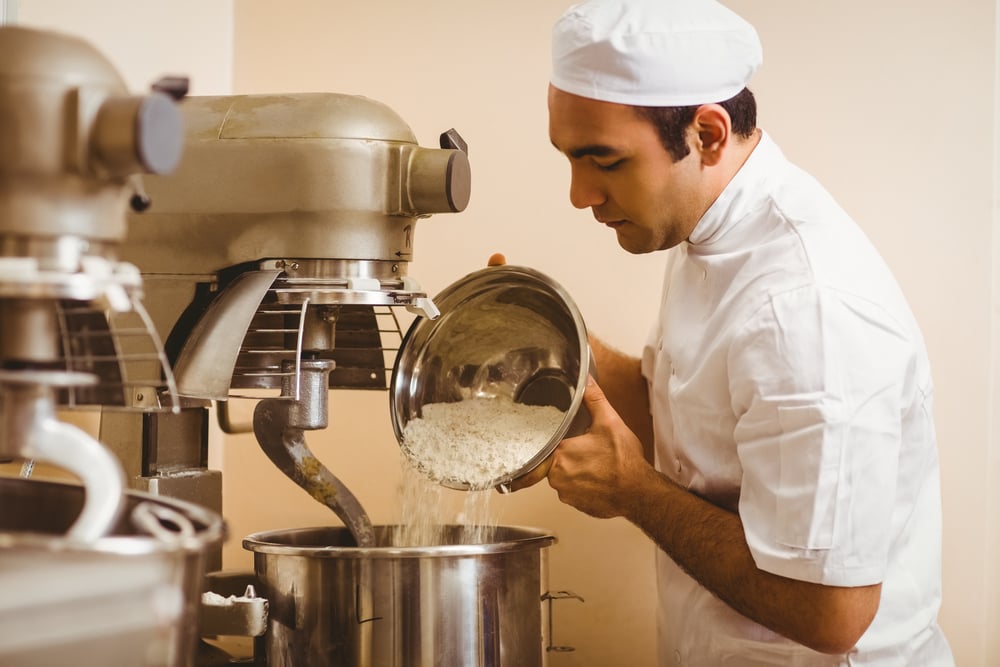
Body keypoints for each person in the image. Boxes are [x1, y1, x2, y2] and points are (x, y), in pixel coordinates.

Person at [505, 0, 955, 664]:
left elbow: (833, 611)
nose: (580, 193)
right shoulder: (707, 227)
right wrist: (557, 339)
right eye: (570, 157)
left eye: (604, 160)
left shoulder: (806, 307)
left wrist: (633, 490)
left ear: (708, 134)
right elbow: (697, 435)